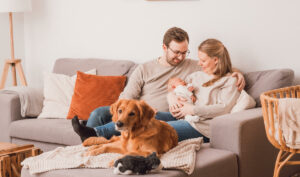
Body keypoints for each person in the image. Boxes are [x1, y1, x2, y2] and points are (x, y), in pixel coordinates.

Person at [72, 27, 245, 142]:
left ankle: (94, 137)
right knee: (99, 114)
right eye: (176, 52)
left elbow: (218, 68)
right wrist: (135, 109)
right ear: (164, 47)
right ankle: (86, 144)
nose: (181, 57)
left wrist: (237, 73)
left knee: (146, 122)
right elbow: (126, 97)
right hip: (139, 110)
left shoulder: (193, 66)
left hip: (169, 116)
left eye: (185, 52)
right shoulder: (145, 68)